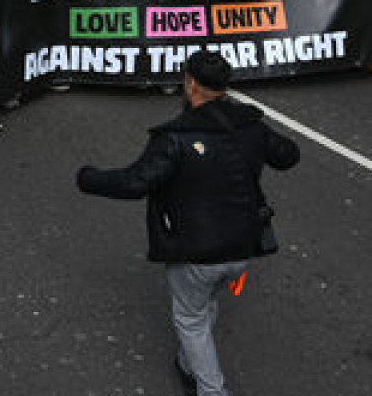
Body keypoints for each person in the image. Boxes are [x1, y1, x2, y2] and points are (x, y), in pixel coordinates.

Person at [76, 51, 300, 396]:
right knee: (206, 303)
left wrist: (88, 178)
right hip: (244, 245)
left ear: (191, 84)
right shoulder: (249, 124)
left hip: (197, 251)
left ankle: (211, 389)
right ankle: (187, 362)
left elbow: (135, 183)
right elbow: (288, 155)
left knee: (191, 318)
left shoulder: (174, 138)